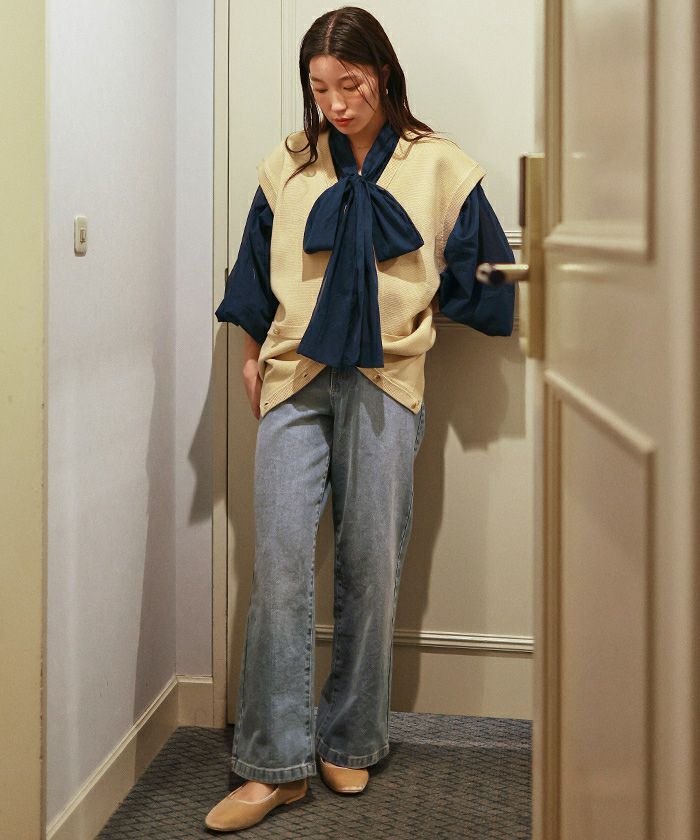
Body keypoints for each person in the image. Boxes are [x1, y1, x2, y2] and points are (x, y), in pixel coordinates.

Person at [204, 5, 515, 833]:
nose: (336, 104)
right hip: (294, 375)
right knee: (278, 566)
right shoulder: (288, 164)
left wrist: (415, 320)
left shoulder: (439, 164)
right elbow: (255, 266)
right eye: (319, 88)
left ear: (383, 73)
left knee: (371, 563)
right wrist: (249, 352)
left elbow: (483, 275)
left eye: (350, 84)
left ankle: (350, 738)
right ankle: (272, 765)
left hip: (386, 382)